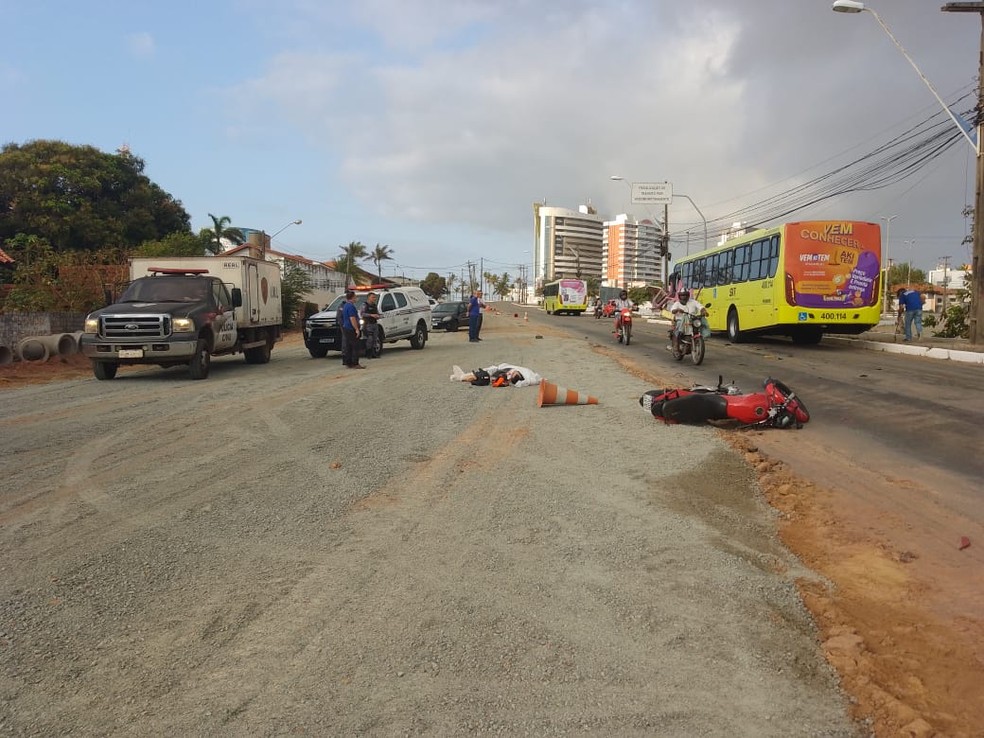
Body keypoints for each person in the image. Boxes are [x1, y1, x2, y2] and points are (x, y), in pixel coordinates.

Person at [668, 289, 707, 354]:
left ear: (688, 295)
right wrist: (677, 310)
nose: (684, 297)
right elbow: (672, 310)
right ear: (679, 296)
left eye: (685, 295)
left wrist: (703, 311)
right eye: (682, 295)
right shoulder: (677, 303)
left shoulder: (693, 302)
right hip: (680, 320)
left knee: (700, 326)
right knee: (678, 331)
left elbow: (700, 306)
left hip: (692, 320)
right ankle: (676, 346)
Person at [449, 362, 542, 387]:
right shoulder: (526, 373)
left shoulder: (526, 378)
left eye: (513, 375)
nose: (513, 373)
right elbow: (538, 379)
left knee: (483, 377)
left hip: (497, 374)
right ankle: (462, 376)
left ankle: (461, 377)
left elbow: (528, 382)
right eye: (514, 373)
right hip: (499, 369)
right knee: (484, 373)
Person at [340, 290, 365, 368]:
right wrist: (356, 329)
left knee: (348, 346)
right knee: (355, 346)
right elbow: (352, 318)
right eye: (355, 297)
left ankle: (349, 362)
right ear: (352, 297)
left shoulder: (345, 306)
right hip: (351, 328)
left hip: (346, 328)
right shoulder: (351, 306)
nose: (356, 298)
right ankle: (355, 363)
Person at [360, 291, 382, 358]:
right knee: (370, 339)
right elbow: (362, 314)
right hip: (368, 324)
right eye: (373, 297)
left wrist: (378, 316)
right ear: (368, 298)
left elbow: (377, 313)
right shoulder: (365, 305)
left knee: (375, 339)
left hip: (374, 324)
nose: (374, 299)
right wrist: (371, 315)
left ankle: (374, 353)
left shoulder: (374, 305)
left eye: (375, 297)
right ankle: (368, 353)